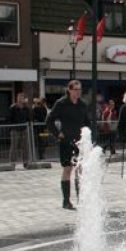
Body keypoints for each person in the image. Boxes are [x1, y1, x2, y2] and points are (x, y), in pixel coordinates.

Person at [44, 80, 92, 210]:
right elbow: (49, 120)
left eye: (80, 89)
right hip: (66, 142)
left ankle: (81, 200)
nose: (78, 92)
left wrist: (88, 137)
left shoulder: (83, 104)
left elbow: (87, 122)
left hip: (80, 142)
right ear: (69, 90)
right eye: (75, 89)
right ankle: (66, 201)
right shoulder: (61, 103)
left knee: (80, 170)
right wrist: (57, 133)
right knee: (67, 169)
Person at [7, 93, 30, 166]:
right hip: (15, 129)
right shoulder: (13, 107)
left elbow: (29, 117)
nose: (20, 99)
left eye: (22, 98)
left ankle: (26, 162)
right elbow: (9, 118)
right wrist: (11, 128)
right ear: (17, 98)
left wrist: (28, 124)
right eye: (19, 98)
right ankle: (12, 163)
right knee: (14, 146)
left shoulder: (26, 108)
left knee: (25, 146)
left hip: (24, 129)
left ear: (24, 99)